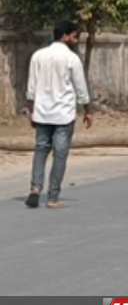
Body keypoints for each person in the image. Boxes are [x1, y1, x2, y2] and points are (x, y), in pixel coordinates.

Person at [23, 21, 93, 208]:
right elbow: (81, 88)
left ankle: (35, 189)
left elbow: (31, 87)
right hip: (63, 115)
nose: (76, 40)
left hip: (42, 113)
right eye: (75, 36)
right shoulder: (72, 59)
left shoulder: (38, 56)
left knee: (40, 150)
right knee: (60, 154)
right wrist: (87, 110)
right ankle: (53, 197)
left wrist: (30, 109)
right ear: (66, 36)